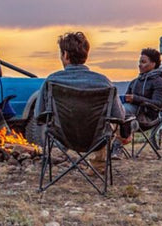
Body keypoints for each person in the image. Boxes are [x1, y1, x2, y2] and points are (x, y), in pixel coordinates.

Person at [39, 31, 125, 171]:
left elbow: (40, 115)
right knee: (109, 126)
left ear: (65, 55)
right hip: (96, 140)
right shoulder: (104, 82)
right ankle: (98, 166)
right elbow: (119, 116)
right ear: (85, 55)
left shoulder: (51, 81)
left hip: (63, 138)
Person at [118, 47, 162, 143]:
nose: (139, 65)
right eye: (139, 62)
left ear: (153, 64)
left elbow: (160, 103)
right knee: (114, 111)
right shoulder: (135, 82)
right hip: (132, 115)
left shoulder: (159, 82)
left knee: (122, 112)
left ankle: (119, 145)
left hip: (147, 117)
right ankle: (111, 146)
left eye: (143, 62)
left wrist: (135, 99)